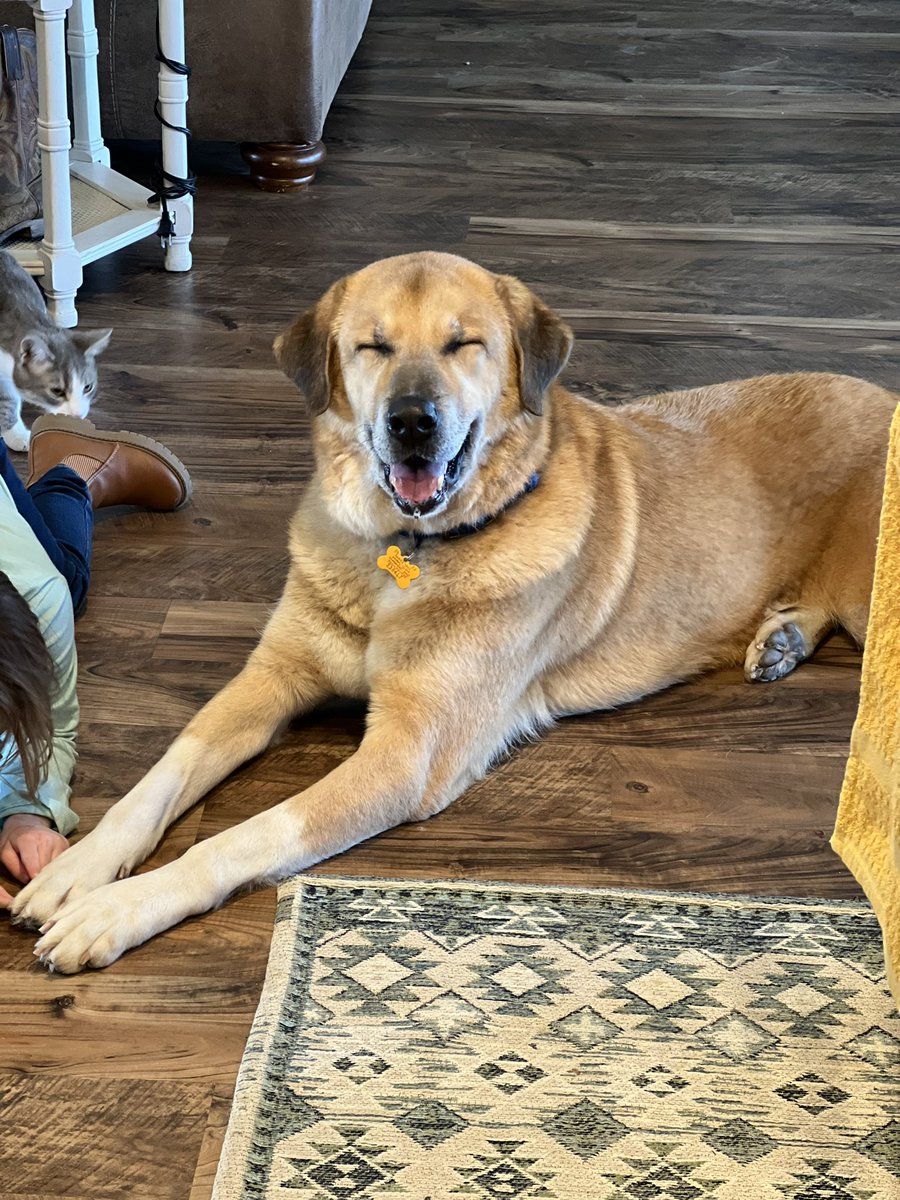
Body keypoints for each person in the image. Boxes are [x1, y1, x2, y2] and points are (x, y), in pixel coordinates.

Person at [0, 414, 191, 906]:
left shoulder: (39, 596)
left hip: (29, 572)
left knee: (67, 582)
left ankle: (74, 470)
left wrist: (26, 812)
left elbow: (54, 726)